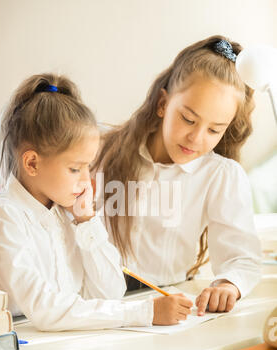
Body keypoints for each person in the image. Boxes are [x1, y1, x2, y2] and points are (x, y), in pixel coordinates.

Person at [0, 73, 193, 330]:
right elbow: (46, 311)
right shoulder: (5, 218)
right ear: (32, 163)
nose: (85, 180)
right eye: (75, 168)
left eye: (88, 166)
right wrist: (144, 312)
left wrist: (87, 221)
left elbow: (111, 291)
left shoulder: (66, 211)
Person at [93, 35, 262, 316]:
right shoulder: (103, 151)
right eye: (188, 119)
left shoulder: (221, 176)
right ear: (163, 103)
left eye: (214, 129)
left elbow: (241, 258)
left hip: (169, 310)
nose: (196, 138)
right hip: (98, 308)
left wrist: (228, 285)